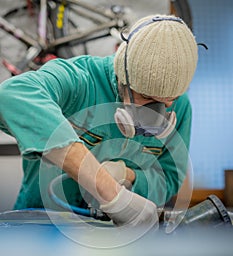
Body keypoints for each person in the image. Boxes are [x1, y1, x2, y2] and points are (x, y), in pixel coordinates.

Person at [0, 14, 198, 229]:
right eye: (147, 98)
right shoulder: (80, 81)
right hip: (42, 223)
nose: (157, 112)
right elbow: (13, 94)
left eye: (169, 102)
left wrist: (128, 175)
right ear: (124, 76)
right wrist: (106, 188)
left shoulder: (181, 107)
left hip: (112, 231)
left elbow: (170, 177)